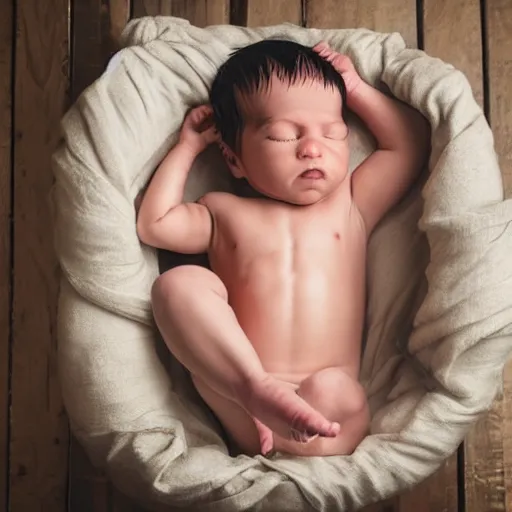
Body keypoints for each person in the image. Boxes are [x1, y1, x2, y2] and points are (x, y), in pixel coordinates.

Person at [136, 40, 430, 457]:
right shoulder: (223, 212)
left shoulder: (351, 204)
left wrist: (356, 89)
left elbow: (409, 144)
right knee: (177, 284)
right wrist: (187, 148)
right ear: (233, 160)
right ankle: (257, 387)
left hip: (327, 414)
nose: (312, 147)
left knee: (335, 388)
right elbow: (155, 224)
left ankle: (273, 402)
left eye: (333, 132)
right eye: (283, 135)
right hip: (244, 404)